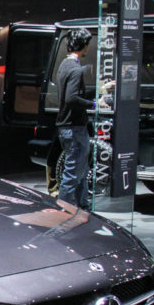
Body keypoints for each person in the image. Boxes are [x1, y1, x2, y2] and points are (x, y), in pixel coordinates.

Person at [55, 28, 112, 210]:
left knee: (80, 171)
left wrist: (101, 91)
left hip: (67, 127)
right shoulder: (76, 69)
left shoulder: (65, 65)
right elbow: (72, 98)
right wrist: (95, 105)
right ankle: (64, 210)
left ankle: (83, 208)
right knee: (73, 173)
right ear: (84, 45)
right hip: (74, 128)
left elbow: (72, 94)